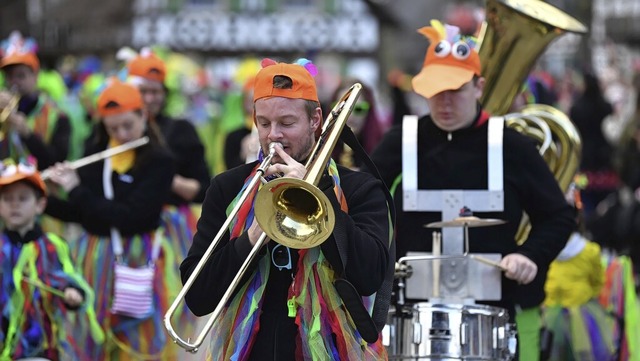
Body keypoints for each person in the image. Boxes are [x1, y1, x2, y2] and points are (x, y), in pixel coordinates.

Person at [369, 20, 574, 360]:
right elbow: (360, 202)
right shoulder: (402, 141)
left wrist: (530, 255)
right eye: (437, 90)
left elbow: (558, 216)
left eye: (456, 90)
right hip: (409, 318)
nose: (444, 102)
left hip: (493, 317)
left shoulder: (512, 145)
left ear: (478, 87)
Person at [181, 58, 394, 361]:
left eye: (287, 123)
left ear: (315, 119)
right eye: (264, 123)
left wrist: (319, 194)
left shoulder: (360, 189)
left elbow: (369, 276)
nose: (273, 135)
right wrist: (253, 234)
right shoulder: (227, 188)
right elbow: (198, 297)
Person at [44, 79, 176, 360]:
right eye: (112, 128)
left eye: (127, 125)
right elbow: (84, 213)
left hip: (138, 255)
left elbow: (130, 218)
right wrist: (40, 199)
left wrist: (75, 189)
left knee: (136, 338)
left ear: (143, 115)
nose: (121, 134)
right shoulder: (96, 153)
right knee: (93, 334)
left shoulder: (160, 161)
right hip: (94, 256)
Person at [0, 157, 103, 360]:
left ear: (40, 205)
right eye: (7, 199)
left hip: (43, 340)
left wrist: (73, 294)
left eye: (22, 199)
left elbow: (68, 279)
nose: (15, 205)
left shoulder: (53, 246)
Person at [542, 183, 617, 360]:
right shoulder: (589, 251)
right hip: (582, 312)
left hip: (549, 312)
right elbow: (598, 282)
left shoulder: (545, 249)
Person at [0, 31, 71, 169]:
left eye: (21, 76)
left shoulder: (58, 116)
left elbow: (57, 162)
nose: (14, 82)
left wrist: (28, 134)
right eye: (9, 76)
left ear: (36, 76)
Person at [329, 78, 388, 170]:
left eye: (359, 109)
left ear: (369, 112)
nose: (350, 116)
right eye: (342, 110)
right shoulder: (318, 147)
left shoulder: (382, 148)